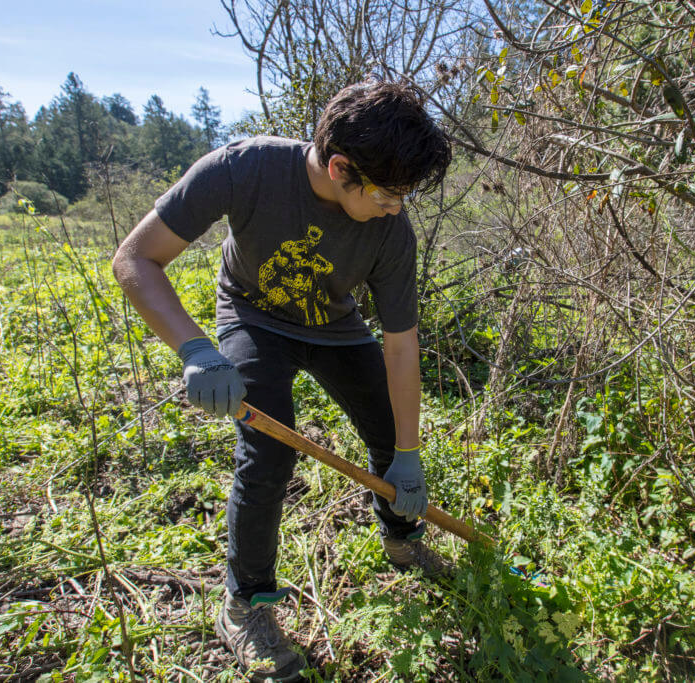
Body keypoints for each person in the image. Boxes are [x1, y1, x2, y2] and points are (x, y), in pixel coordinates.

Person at [112, 81, 452, 681]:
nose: (397, 206)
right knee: (268, 451)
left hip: (336, 327)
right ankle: (246, 603)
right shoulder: (245, 169)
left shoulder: (391, 229)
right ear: (340, 166)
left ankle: (401, 538)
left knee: (387, 430)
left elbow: (400, 346)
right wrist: (194, 349)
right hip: (253, 315)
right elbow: (136, 259)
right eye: (387, 192)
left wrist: (409, 451)